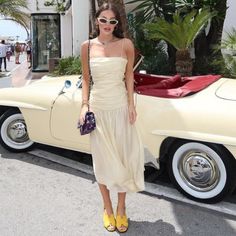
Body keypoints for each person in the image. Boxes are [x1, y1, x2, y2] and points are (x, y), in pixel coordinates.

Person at [79, 3, 144, 233]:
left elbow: (129, 77)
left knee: (123, 158)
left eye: (112, 21)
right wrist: (84, 106)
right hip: (98, 109)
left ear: (117, 24)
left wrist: (131, 104)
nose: (107, 24)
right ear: (96, 20)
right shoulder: (87, 47)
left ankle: (121, 208)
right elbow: (86, 79)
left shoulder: (126, 44)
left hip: (120, 108)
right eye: (103, 19)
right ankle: (107, 208)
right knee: (103, 161)